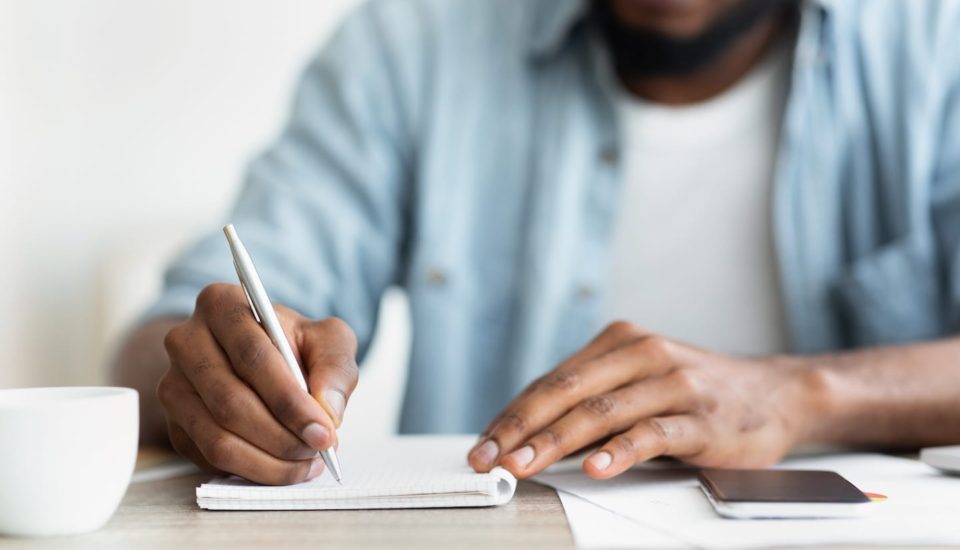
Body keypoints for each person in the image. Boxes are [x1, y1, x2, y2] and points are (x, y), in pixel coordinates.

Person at [113, 0, 960, 486]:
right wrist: (211, 373)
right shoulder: (417, 42)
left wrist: (801, 394)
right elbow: (150, 347)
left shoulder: (935, 46)